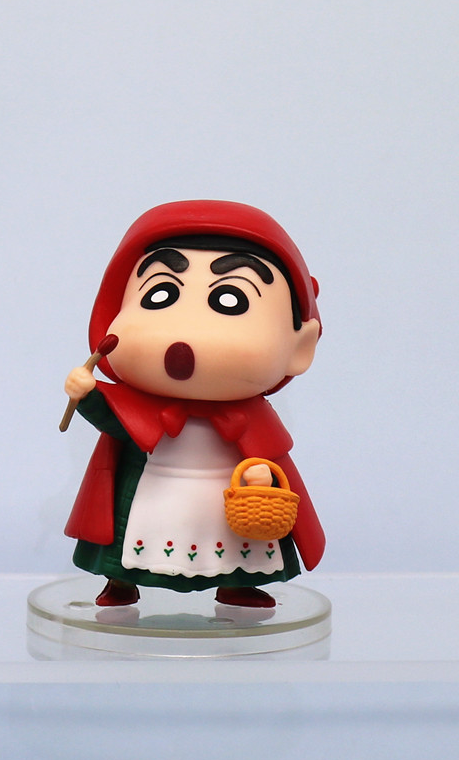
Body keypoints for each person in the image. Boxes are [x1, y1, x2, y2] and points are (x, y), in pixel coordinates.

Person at [63, 200, 322, 608]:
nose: (185, 333)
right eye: (160, 293)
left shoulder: (251, 417)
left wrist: (261, 474)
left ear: (300, 348)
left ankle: (239, 583)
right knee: (132, 528)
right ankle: (120, 579)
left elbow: (265, 454)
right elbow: (116, 423)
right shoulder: (137, 402)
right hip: (154, 488)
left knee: (236, 542)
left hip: (225, 497)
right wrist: (87, 395)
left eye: (231, 300)